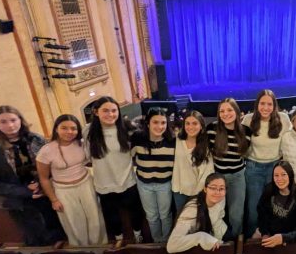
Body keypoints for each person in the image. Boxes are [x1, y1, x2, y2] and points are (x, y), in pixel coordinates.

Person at [0, 105, 64, 246]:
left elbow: (52, 165)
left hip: (45, 195)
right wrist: (24, 191)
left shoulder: (36, 139)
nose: (10, 125)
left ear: (20, 120)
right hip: (18, 203)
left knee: (57, 234)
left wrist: (41, 184)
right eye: (3, 122)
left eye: (13, 120)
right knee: (35, 239)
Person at [36, 114, 107, 246]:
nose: (69, 132)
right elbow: (44, 179)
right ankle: (82, 252)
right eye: (64, 128)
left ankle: (100, 249)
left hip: (86, 184)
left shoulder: (81, 144)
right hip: (63, 191)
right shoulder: (46, 151)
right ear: (56, 129)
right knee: (74, 223)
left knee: (95, 219)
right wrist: (54, 200)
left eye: (73, 128)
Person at [85, 96, 144, 243]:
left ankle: (138, 235)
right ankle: (119, 238)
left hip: (127, 181)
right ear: (96, 112)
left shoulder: (127, 128)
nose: (110, 114)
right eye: (105, 111)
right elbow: (87, 156)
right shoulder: (88, 131)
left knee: (135, 213)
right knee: (112, 216)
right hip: (103, 184)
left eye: (114, 110)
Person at [242, 90, 292, 237]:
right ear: (257, 104)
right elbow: (240, 142)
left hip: (275, 169)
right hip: (253, 168)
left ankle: (270, 235)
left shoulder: (283, 119)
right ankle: (252, 239)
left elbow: (290, 141)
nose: (265, 107)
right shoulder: (248, 119)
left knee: (274, 206)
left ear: (274, 105)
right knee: (253, 208)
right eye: (262, 103)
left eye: (269, 104)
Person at [206, 98, 251, 236]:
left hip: (238, 177)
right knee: (217, 212)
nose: (226, 114)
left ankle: (236, 241)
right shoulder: (212, 129)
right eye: (222, 111)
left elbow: (246, 154)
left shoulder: (246, 131)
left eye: (229, 110)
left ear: (237, 111)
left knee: (236, 214)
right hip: (218, 177)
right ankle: (217, 240)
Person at [131, 107, 176, 243]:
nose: (160, 126)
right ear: (148, 123)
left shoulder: (172, 141)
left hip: (165, 183)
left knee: (165, 215)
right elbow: (128, 158)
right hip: (144, 184)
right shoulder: (137, 138)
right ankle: (157, 241)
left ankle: (166, 241)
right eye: (155, 122)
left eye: (163, 123)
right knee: (151, 216)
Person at [166, 173, 229, 253]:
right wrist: (201, 237)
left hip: (216, 229)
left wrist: (217, 239)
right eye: (213, 188)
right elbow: (171, 246)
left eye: (221, 188)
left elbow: (218, 216)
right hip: (196, 241)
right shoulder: (192, 210)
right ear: (205, 189)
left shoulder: (221, 198)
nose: (217, 192)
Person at [255, 161, 296, 247]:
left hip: (290, 239)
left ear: (290, 175)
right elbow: (261, 214)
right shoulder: (269, 190)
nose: (279, 179)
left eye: (283, 174)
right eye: (276, 175)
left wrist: (284, 238)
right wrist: (265, 233)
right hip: (270, 236)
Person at [172, 110, 215, 213]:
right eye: (187, 123)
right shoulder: (177, 140)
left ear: (201, 126)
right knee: (181, 219)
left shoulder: (205, 145)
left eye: (195, 123)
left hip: (197, 191)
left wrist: (199, 193)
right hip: (179, 190)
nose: (190, 127)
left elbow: (208, 172)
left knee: (196, 219)